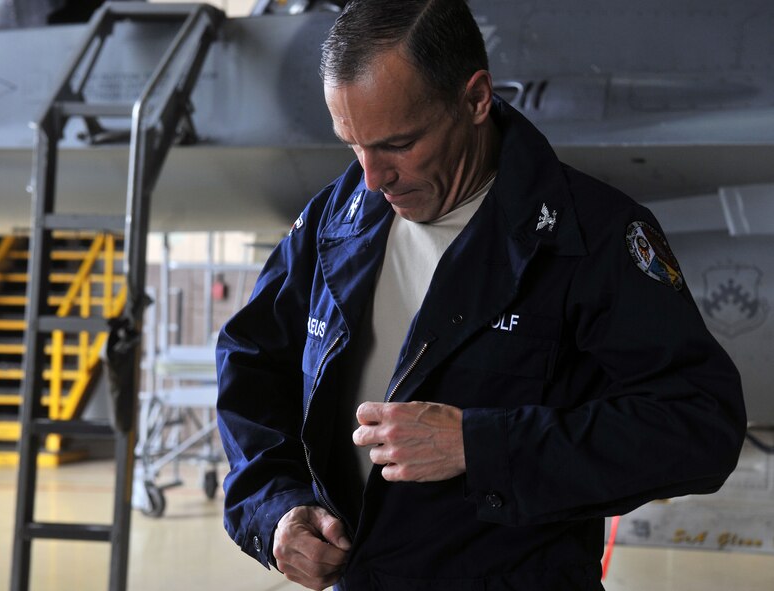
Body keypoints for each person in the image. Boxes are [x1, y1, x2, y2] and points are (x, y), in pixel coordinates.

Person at [215, 1, 746, 589]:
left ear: (475, 99)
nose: (371, 177)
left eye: (398, 143)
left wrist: (480, 446)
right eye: (353, 145)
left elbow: (701, 426)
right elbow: (252, 361)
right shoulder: (334, 219)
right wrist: (275, 508)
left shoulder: (590, 237)